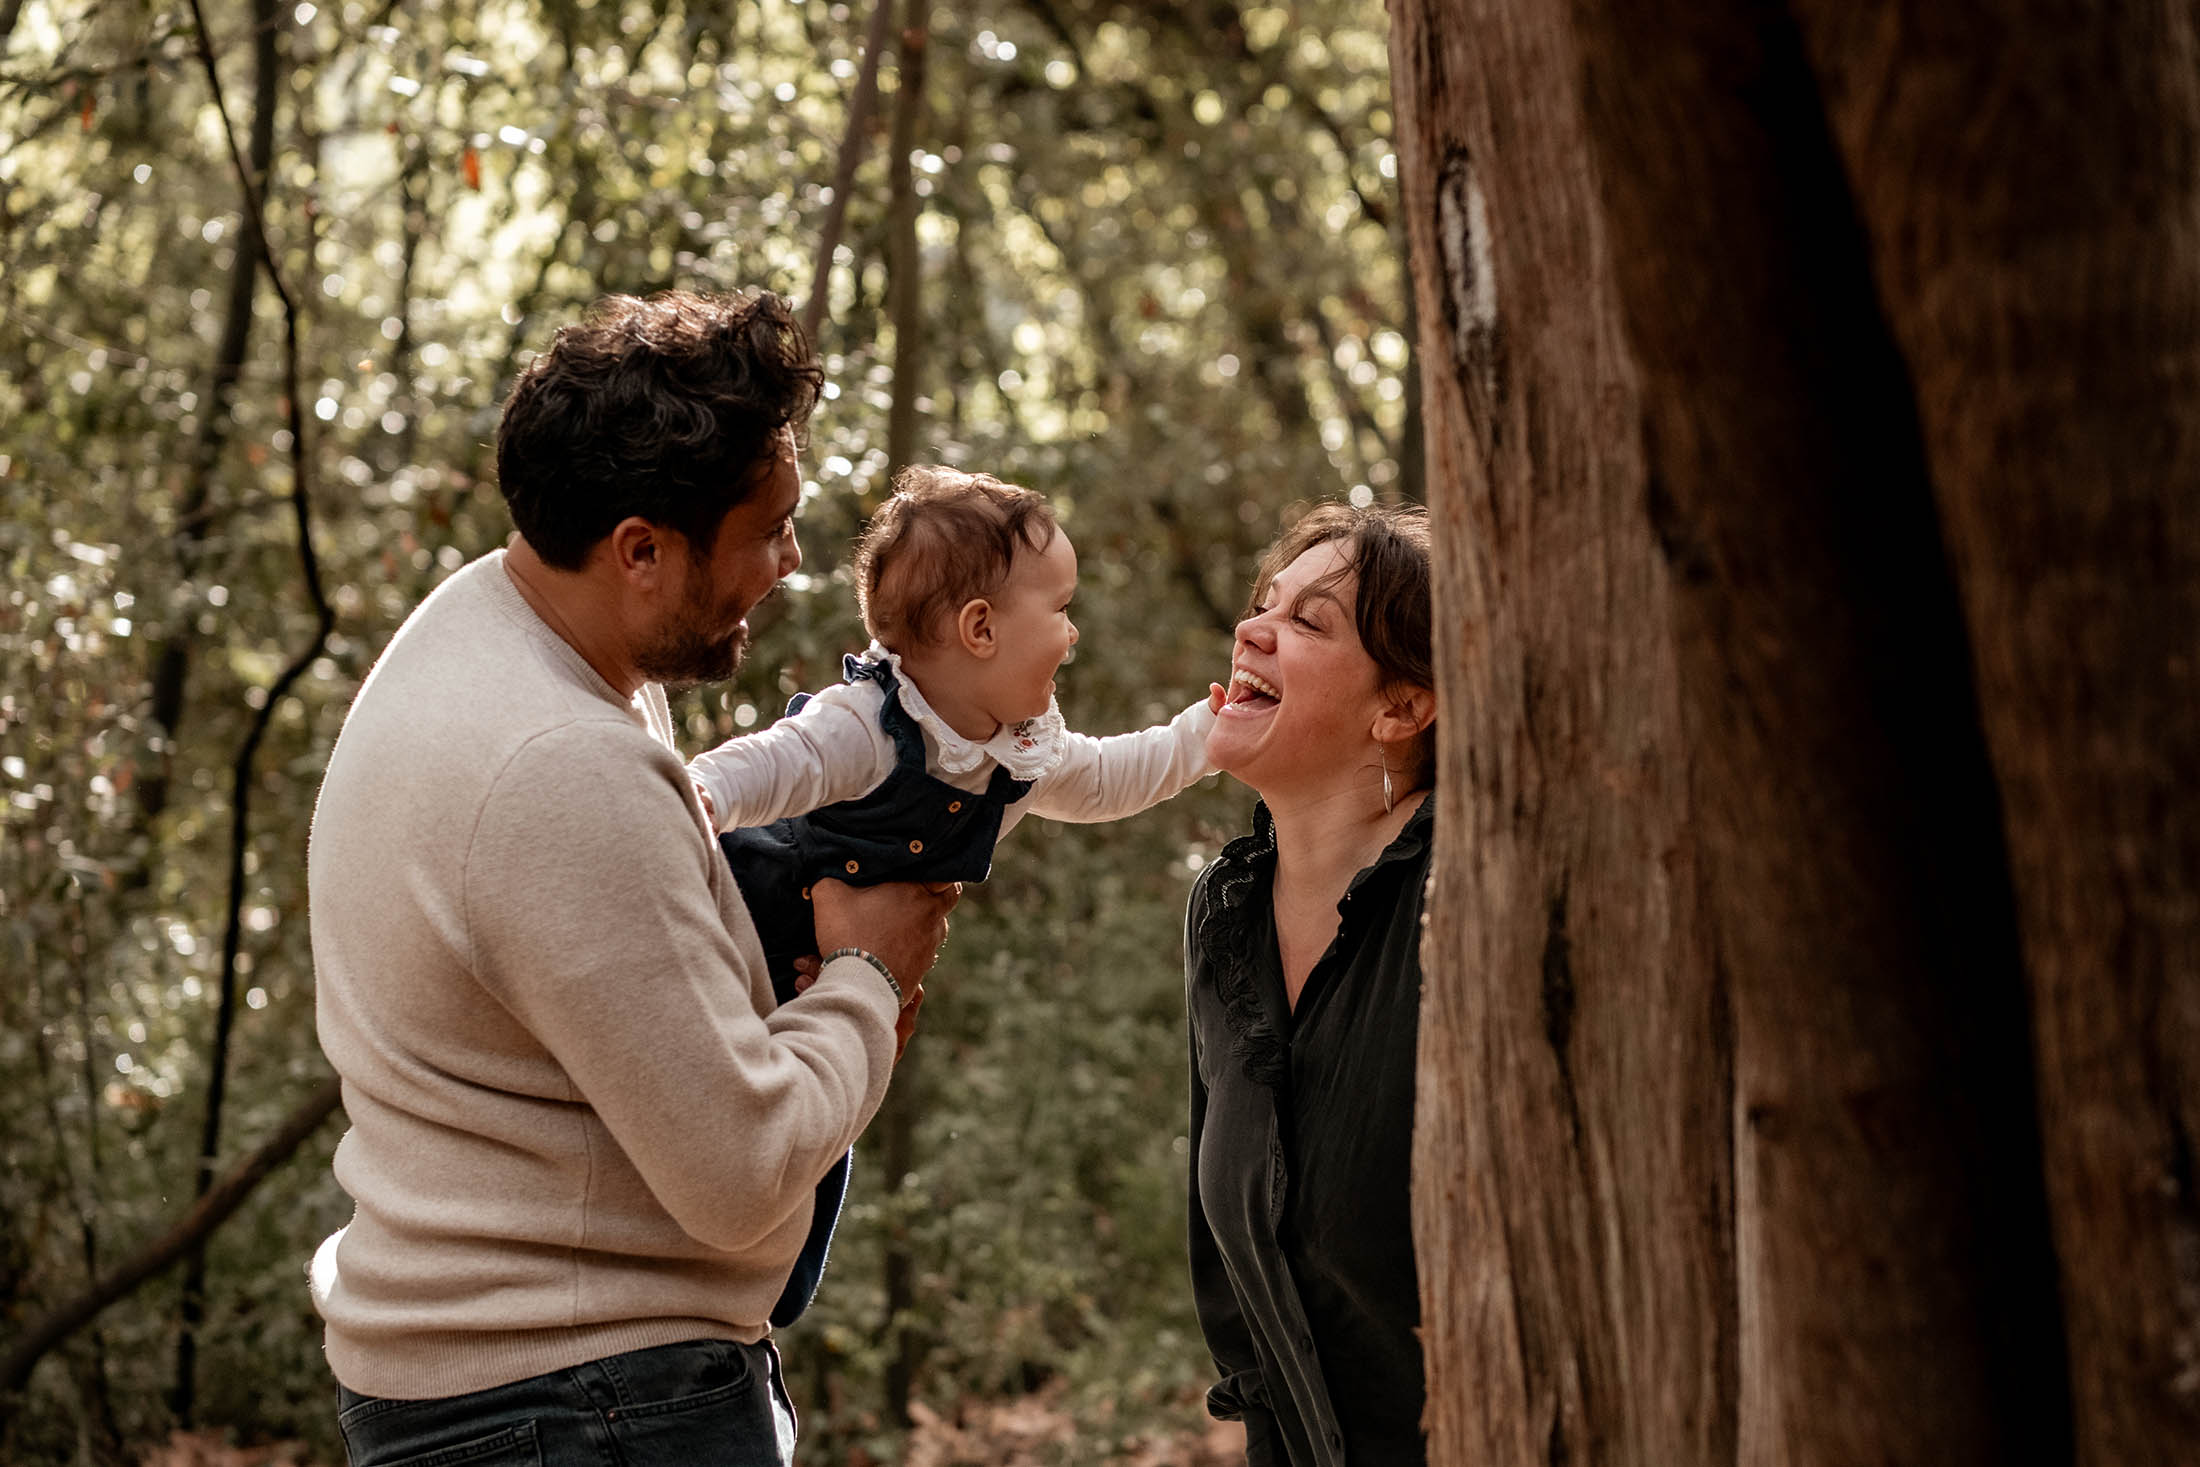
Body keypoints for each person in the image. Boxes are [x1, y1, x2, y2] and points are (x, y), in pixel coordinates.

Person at [306, 290, 956, 1467]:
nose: (792, 561)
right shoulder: (560, 762)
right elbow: (742, 1176)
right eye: (767, 531)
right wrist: (868, 969)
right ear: (641, 550)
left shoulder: (494, 634)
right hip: (583, 1408)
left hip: (529, 1392)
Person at [688, 467, 1218, 1322]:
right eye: (1061, 608)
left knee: (820, 1141)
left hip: (847, 984)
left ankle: (761, 1302)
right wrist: (692, 797)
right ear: (980, 629)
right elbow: (766, 765)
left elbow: (1112, 778)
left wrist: (1207, 735)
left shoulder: (1017, 749)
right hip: (752, 924)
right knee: (729, 1120)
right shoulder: (866, 722)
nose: (1074, 634)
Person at [1184, 502, 1437, 1466]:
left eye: (1307, 622)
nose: (1253, 629)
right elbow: (1242, 1311)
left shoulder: (1470, 893)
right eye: (1264, 604)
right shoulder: (1223, 913)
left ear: (1402, 707)